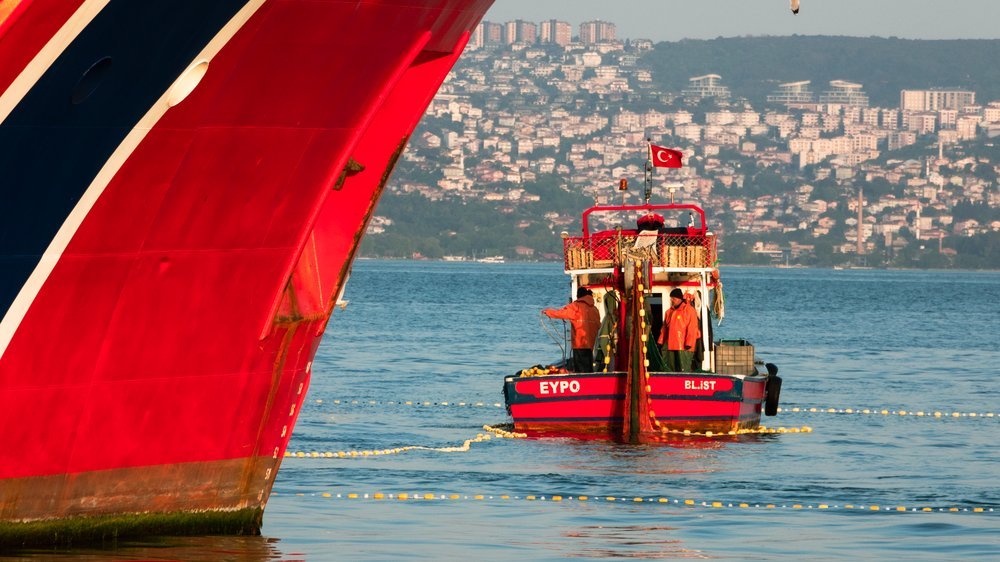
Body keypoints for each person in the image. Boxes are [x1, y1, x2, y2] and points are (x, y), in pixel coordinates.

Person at [543, 287, 601, 373]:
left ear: (578, 296)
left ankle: (582, 384)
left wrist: (548, 312)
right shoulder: (595, 309)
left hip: (579, 344)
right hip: (590, 344)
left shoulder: (576, 306)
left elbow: (561, 313)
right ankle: (589, 383)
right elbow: (598, 325)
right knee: (588, 369)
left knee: (580, 370)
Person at [658, 288, 700, 372]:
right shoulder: (668, 312)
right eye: (671, 298)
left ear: (680, 299)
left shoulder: (689, 310)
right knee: (669, 368)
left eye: (674, 298)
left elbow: (692, 328)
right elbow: (664, 329)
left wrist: (689, 343)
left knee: (683, 368)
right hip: (670, 345)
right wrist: (660, 341)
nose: (672, 300)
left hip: (683, 346)